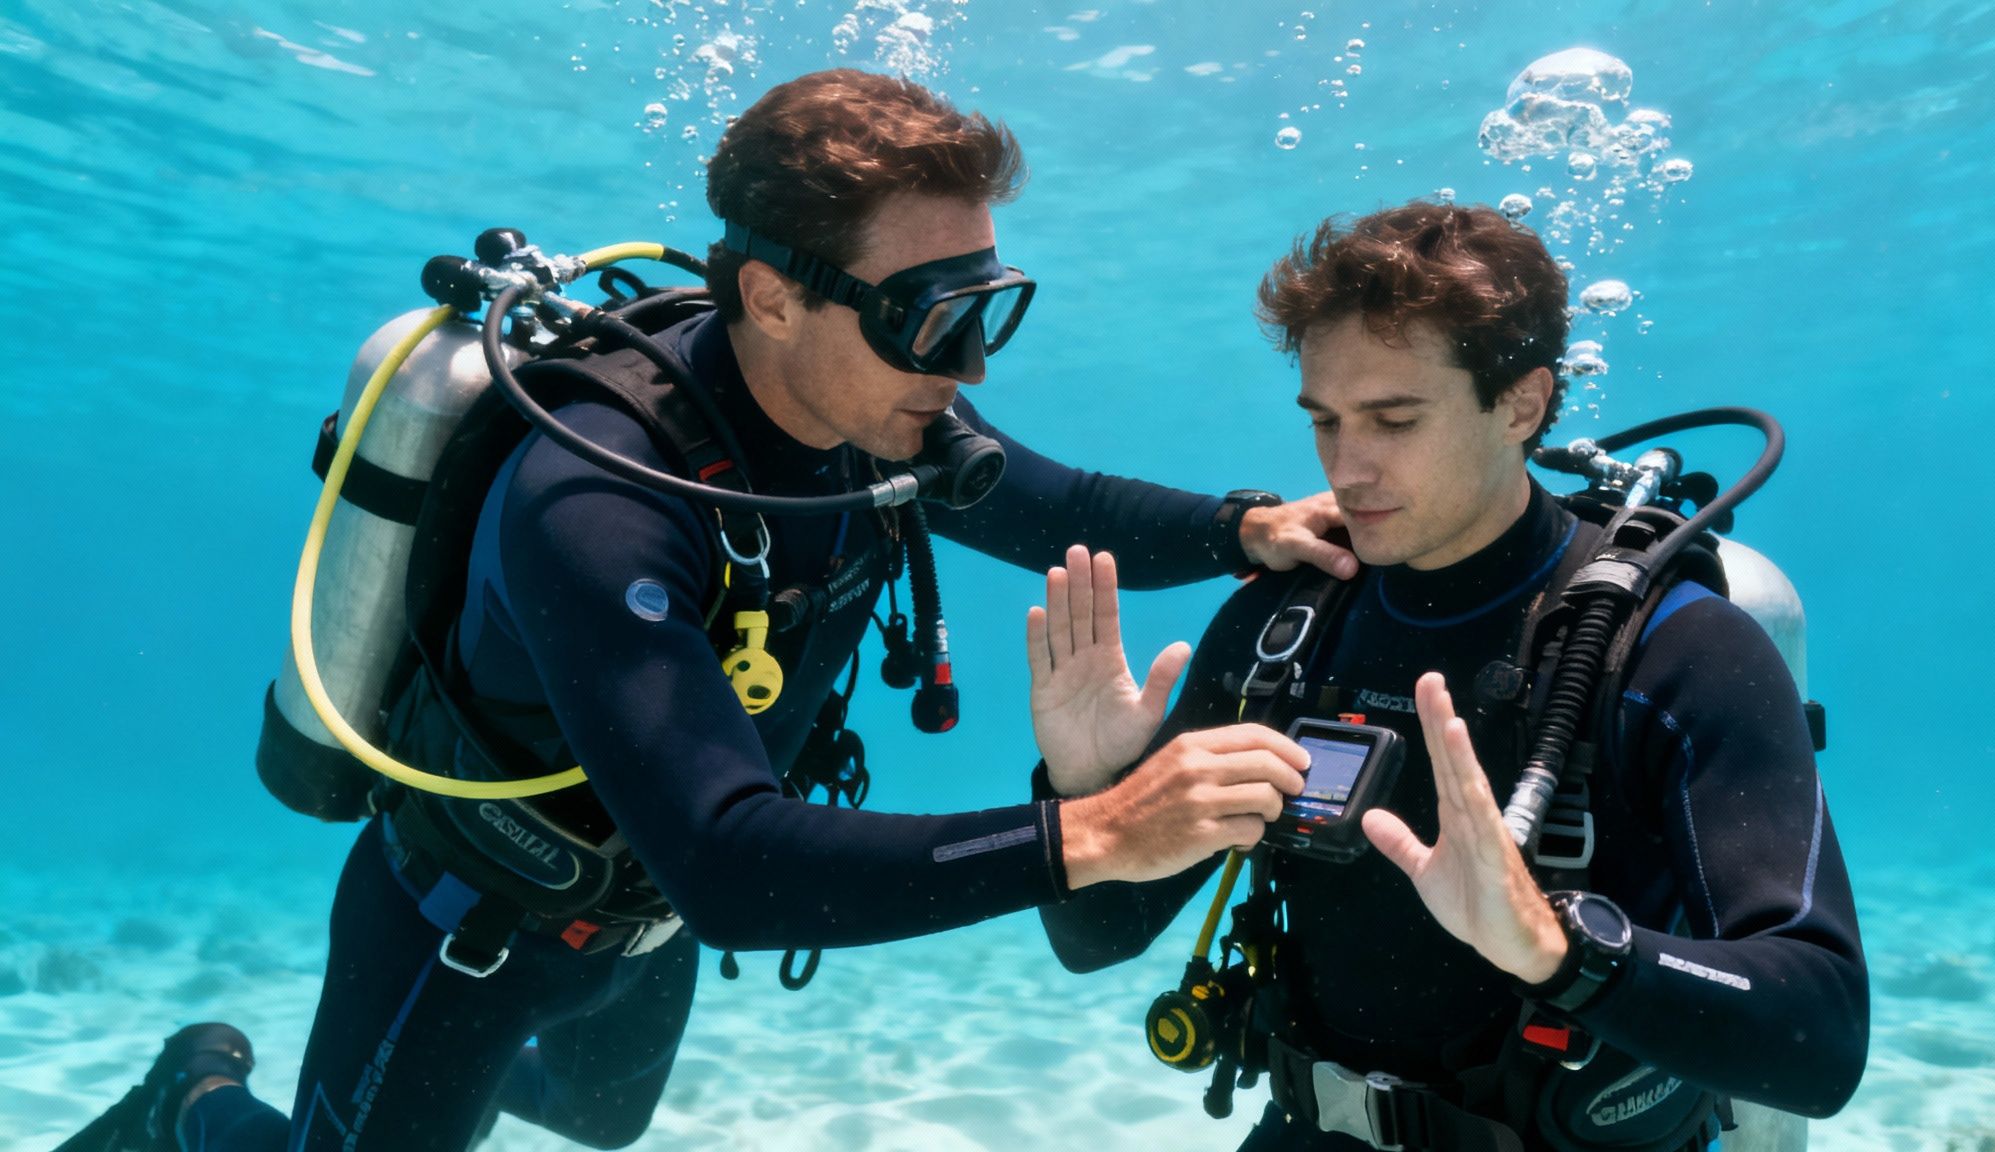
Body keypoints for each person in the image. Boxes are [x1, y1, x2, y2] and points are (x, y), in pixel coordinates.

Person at [61, 69, 1352, 1152]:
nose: (962, 371)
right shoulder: (597, 497)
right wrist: (1090, 833)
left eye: (986, 313)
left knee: (604, 1120)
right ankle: (197, 1092)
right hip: (468, 925)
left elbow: (1041, 499)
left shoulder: (877, 412)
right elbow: (733, 862)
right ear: (773, 298)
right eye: (927, 320)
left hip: (643, 923)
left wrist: (1246, 524)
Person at [1028, 202, 1869, 1151]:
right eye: (1325, 421)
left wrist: (1560, 951)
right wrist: (1086, 793)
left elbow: (1824, 1040)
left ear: (1519, 403)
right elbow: (1096, 940)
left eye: (1394, 419)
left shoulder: (1680, 649)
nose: (1346, 469)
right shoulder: (1283, 630)